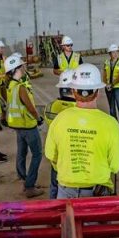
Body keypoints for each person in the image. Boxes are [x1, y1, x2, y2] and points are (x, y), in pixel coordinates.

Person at [45, 64, 119, 199]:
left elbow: (51, 155)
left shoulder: (59, 120)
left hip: (65, 191)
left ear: (73, 91)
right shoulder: (111, 124)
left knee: (68, 220)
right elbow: (115, 166)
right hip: (97, 194)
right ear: (98, 92)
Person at [4, 54, 45, 198]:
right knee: (37, 154)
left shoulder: (10, 85)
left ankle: (23, 177)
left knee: (22, 152)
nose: (23, 67)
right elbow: (31, 108)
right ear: (17, 69)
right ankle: (29, 186)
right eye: (21, 66)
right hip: (27, 125)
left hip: (17, 125)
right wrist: (38, 118)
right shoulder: (20, 87)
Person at [44, 70, 76, 199]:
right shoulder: (78, 110)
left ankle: (53, 212)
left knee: (54, 187)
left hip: (56, 160)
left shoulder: (50, 107)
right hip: (73, 162)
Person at [102, 44, 119, 137]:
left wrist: (112, 84)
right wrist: (106, 84)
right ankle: (115, 128)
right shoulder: (106, 62)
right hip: (109, 88)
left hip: (117, 87)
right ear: (109, 53)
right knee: (112, 109)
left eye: (116, 52)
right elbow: (104, 75)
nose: (115, 54)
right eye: (113, 52)